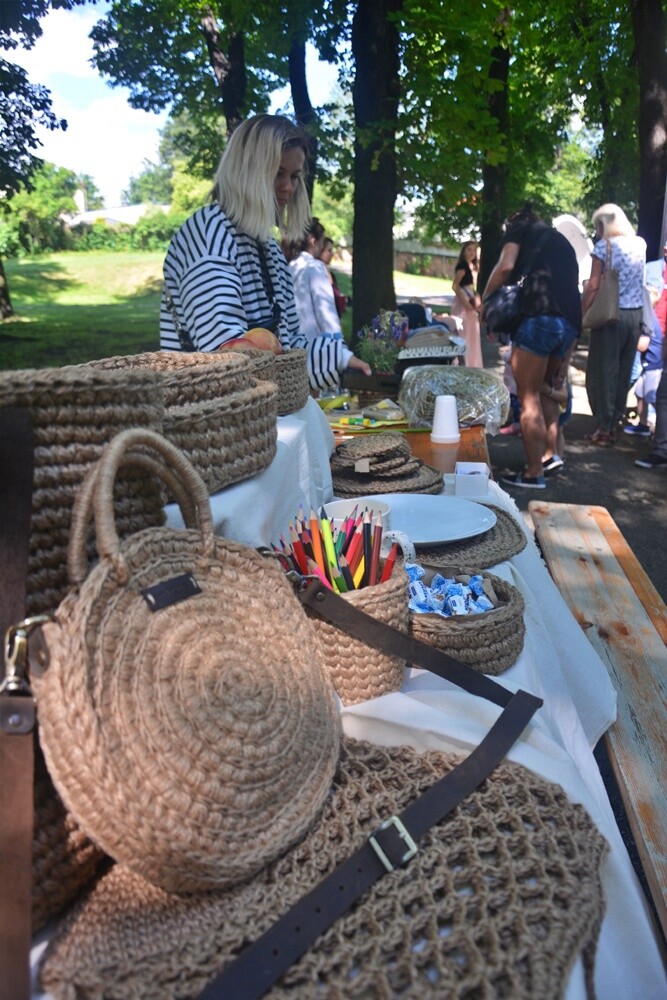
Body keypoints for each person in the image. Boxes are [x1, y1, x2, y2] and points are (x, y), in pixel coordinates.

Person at [160, 114, 370, 391]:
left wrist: (340, 358)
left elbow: (288, 343)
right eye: (278, 173)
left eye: (295, 177)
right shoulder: (210, 235)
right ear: (246, 170)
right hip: (208, 412)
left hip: (257, 407)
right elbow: (224, 355)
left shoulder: (267, 245)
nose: (289, 187)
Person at [482, 205, 581, 489]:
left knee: (527, 398)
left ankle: (533, 472)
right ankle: (551, 455)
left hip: (539, 318)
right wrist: (569, 353)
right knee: (545, 391)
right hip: (569, 324)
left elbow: (505, 266)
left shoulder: (518, 228)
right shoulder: (560, 240)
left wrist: (487, 300)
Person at [581, 203, 646, 445]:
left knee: (603, 371)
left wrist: (582, 313)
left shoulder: (603, 246)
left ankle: (604, 427)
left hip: (610, 315)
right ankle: (616, 420)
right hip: (635, 316)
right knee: (623, 369)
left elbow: (594, 285)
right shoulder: (640, 244)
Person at [290, 219, 343, 341]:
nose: (322, 246)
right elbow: (326, 314)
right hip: (315, 346)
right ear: (313, 241)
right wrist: (338, 345)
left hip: (293, 343)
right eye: (321, 242)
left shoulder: (291, 266)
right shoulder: (315, 267)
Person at [623, 288, 664, 436]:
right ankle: (643, 424)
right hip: (648, 365)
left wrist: (627, 340)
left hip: (655, 365)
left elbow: (642, 345)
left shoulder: (649, 321)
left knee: (653, 398)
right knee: (640, 392)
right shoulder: (649, 318)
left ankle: (660, 430)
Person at [451, 241, 484, 368]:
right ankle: (462, 364)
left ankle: (471, 364)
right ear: (464, 251)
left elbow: (471, 287)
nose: (472, 253)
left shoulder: (471, 266)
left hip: (470, 304)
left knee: (472, 335)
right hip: (463, 305)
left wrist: (476, 299)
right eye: (469, 249)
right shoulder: (463, 266)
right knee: (463, 335)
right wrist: (467, 304)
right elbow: (455, 286)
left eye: (474, 250)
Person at [318, 237, 349, 318]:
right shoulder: (317, 275)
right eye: (329, 250)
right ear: (321, 251)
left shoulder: (332, 275)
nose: (332, 254)